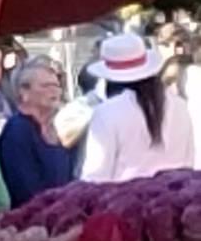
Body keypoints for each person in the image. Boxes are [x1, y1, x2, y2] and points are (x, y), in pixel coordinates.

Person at [78, 28, 197, 182]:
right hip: (175, 195)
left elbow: (95, 178)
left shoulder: (107, 112)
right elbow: (188, 165)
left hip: (124, 197)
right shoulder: (179, 106)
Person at [0, 55, 85, 204]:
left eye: (56, 85)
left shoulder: (60, 129)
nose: (54, 91)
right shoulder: (17, 131)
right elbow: (26, 191)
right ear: (23, 92)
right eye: (46, 86)